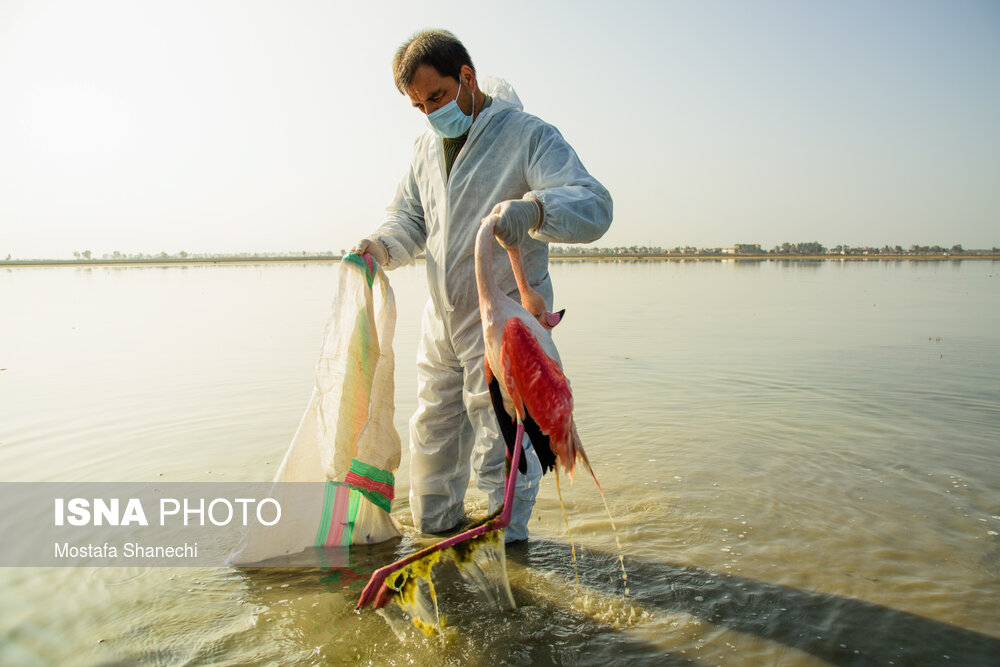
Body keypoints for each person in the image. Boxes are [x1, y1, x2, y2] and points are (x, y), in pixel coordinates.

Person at [353, 29, 612, 542]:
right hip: (443, 319)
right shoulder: (426, 147)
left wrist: (537, 210)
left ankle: (508, 549)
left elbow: (595, 205)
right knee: (432, 430)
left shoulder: (528, 135)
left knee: (501, 442)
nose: (430, 112)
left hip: (504, 323)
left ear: (466, 77)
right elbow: (409, 217)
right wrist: (379, 248)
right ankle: (434, 532)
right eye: (418, 104)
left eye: (437, 97)